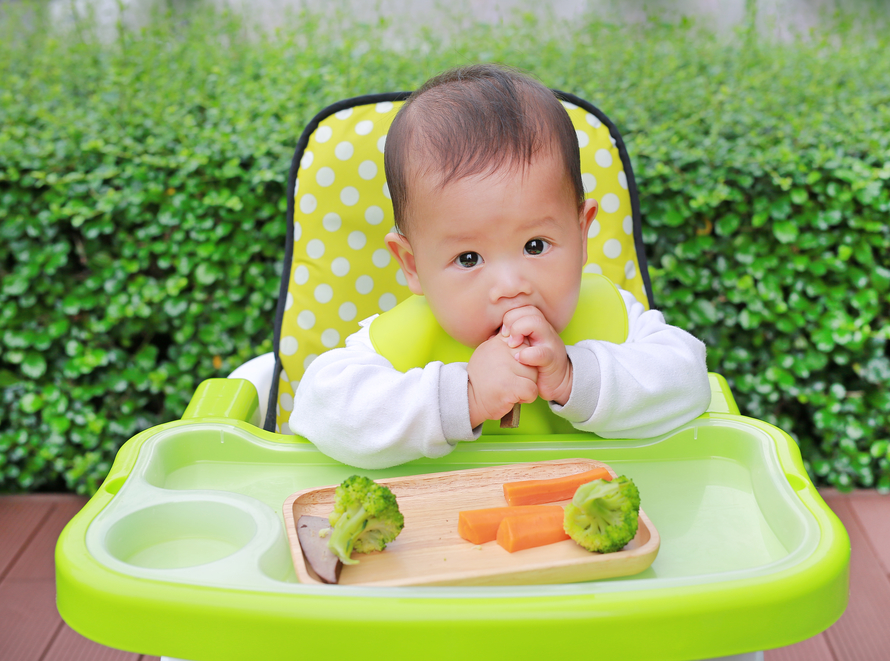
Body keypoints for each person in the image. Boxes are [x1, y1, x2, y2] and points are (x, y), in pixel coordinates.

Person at [289, 64, 711, 469]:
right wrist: (463, 398)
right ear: (412, 265)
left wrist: (573, 378)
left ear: (582, 236)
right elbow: (318, 411)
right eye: (468, 258)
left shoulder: (608, 313)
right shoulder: (404, 340)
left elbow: (690, 383)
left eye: (535, 245)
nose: (511, 286)